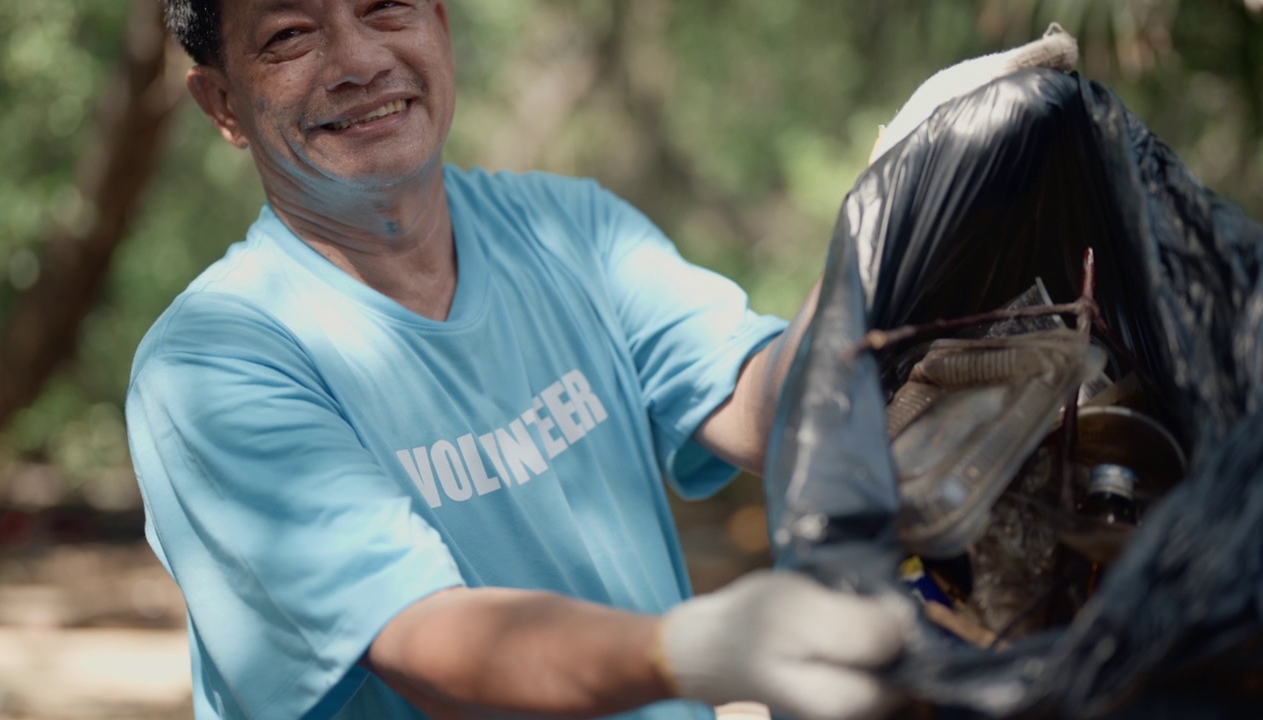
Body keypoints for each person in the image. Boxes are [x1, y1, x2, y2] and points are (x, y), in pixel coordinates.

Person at [127, 2, 914, 719]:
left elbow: (771, 402)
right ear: (223, 104)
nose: (359, 62)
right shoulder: (209, 367)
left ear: (437, 22)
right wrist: (693, 650)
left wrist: (896, 213)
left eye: (386, 8)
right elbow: (422, 636)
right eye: (289, 36)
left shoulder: (572, 228)